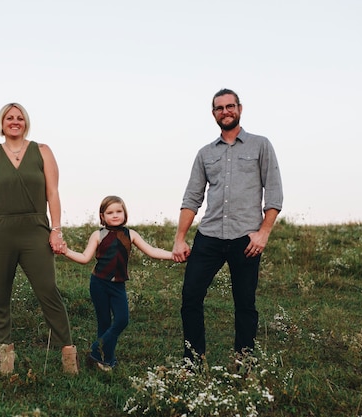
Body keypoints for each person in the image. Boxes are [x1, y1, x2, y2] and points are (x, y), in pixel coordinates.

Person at [172, 88, 283, 361]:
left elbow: (274, 192)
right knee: (190, 298)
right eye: (220, 108)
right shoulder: (205, 153)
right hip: (209, 236)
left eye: (230, 106)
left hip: (246, 239)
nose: (226, 111)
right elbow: (192, 197)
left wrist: (263, 233)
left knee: (245, 303)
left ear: (240, 109)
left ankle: (243, 361)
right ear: (214, 114)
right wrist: (180, 238)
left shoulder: (261, 145)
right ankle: (193, 361)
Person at [0, 102, 78, 375]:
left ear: (25, 122)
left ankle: (68, 355)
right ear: (2, 122)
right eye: (10, 117)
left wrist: (56, 229)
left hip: (34, 229)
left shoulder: (42, 151)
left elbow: (52, 193)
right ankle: (5, 359)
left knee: (48, 291)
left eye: (20, 117)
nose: (15, 121)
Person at [60, 196, 173, 371]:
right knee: (104, 323)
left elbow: (152, 251)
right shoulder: (98, 235)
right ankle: (106, 362)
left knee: (122, 320)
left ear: (125, 213)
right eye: (110, 212)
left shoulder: (131, 234)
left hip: (118, 285)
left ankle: (95, 351)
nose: (115, 215)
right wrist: (66, 251)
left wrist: (174, 255)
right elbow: (84, 258)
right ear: (102, 216)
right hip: (98, 283)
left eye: (118, 211)